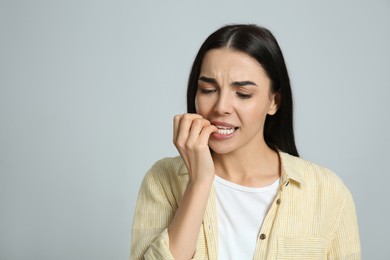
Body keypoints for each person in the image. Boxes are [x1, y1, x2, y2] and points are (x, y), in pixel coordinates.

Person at [130, 24, 361, 260]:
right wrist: (199, 182)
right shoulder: (162, 180)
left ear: (274, 101)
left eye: (242, 94)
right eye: (208, 89)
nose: (221, 107)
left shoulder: (329, 192)